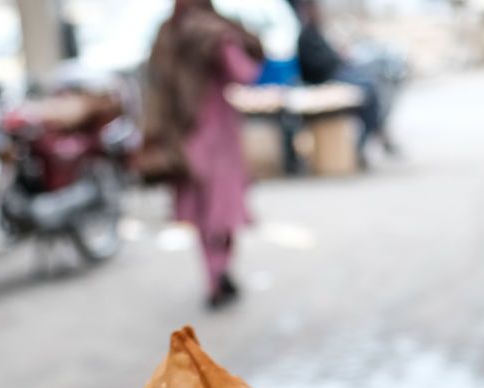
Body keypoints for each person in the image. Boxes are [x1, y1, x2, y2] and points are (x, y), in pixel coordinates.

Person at [144, 0, 264, 308]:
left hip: (183, 135)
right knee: (222, 211)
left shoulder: (167, 32)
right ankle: (221, 271)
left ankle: (213, 277)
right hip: (216, 134)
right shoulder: (214, 32)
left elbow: (154, 83)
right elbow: (245, 73)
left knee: (203, 212)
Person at [292, 0, 395, 162]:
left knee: (374, 82)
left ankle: (372, 136)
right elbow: (317, 66)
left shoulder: (315, 32)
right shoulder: (306, 36)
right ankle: (367, 141)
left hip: (336, 74)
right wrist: (337, 59)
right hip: (326, 80)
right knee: (369, 89)